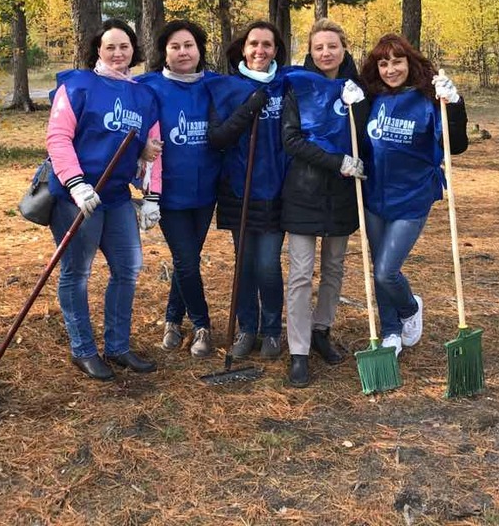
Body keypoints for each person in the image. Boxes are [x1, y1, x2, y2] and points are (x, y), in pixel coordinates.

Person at [45, 18, 164, 381]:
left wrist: (152, 195)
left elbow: (153, 150)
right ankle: (83, 349)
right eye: (110, 46)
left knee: (128, 268)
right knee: (77, 272)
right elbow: (58, 138)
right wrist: (77, 183)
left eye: (124, 46)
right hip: (75, 197)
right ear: (98, 49)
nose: (117, 53)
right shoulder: (78, 85)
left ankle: (118, 346)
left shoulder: (143, 95)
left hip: (115, 197)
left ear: (134, 51)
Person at [356, 33, 468, 356]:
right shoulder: (373, 98)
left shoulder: (427, 99)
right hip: (375, 195)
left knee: (386, 270)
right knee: (378, 267)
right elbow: (357, 140)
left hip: (412, 199)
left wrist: (456, 105)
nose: (390, 69)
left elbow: (456, 144)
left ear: (410, 62)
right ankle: (391, 331)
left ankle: (408, 308)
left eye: (397, 61)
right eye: (383, 63)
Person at [280, 19, 366, 388]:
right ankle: (298, 350)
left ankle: (321, 331)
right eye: (319, 47)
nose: (326, 52)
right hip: (304, 191)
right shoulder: (298, 88)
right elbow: (291, 140)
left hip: (344, 196)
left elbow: (366, 138)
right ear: (311, 53)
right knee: (300, 274)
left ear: (344, 48)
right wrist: (337, 162)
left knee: (333, 268)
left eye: (332, 45)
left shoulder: (358, 90)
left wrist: (358, 111)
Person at [137, 20, 223, 358]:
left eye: (188, 45)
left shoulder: (215, 85)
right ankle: (202, 325)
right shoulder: (148, 86)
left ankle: (173, 319)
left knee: (187, 258)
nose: (183, 52)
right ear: (164, 53)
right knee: (186, 260)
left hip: (206, 191)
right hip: (168, 192)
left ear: (199, 49)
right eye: (175, 47)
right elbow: (118, 106)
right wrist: (141, 147)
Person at [207, 20, 289, 361]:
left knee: (268, 264)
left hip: (277, 189)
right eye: (254, 44)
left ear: (275, 50)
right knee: (245, 263)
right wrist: (249, 107)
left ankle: (272, 330)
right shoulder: (227, 88)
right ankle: (247, 328)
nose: (260, 50)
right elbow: (218, 138)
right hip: (239, 188)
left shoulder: (288, 85)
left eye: (267, 45)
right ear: (243, 48)